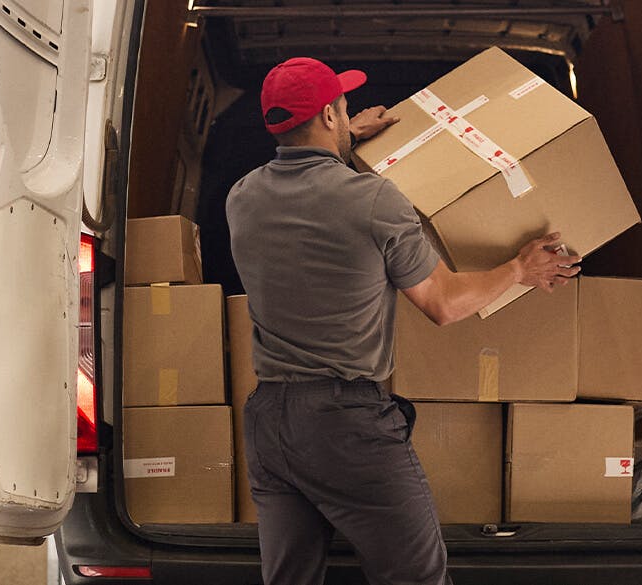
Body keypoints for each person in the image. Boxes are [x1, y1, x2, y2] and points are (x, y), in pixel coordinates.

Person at [225, 57, 579, 585]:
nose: (349, 116)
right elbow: (443, 303)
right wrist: (519, 268)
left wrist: (342, 138)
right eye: (343, 109)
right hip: (345, 423)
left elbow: (296, 175)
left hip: (268, 422)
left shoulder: (242, 198)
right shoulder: (373, 200)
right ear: (327, 115)